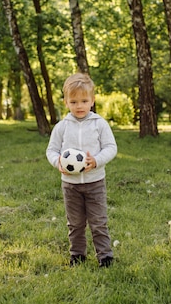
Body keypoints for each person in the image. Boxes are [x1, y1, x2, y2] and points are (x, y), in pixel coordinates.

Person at [46, 73, 118, 268]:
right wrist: (58, 163)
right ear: (66, 102)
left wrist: (96, 161)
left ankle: (105, 256)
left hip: (95, 183)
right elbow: (51, 150)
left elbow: (111, 148)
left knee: (98, 221)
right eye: (74, 101)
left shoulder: (99, 124)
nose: (79, 106)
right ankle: (77, 255)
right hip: (71, 186)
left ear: (92, 101)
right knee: (75, 223)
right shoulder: (61, 127)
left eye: (84, 101)